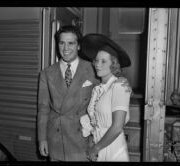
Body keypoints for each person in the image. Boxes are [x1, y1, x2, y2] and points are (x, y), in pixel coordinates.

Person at [37, 25, 99, 161]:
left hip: (82, 139)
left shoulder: (93, 69)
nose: (66, 48)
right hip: (56, 139)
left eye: (71, 43)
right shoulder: (46, 73)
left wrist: (121, 81)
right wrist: (42, 139)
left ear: (78, 46)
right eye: (62, 43)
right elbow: (43, 109)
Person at [80, 34, 132, 161]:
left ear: (113, 64)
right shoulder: (98, 88)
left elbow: (117, 127)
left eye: (103, 61)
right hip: (99, 144)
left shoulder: (119, 86)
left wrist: (95, 148)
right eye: (96, 60)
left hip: (112, 147)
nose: (98, 64)